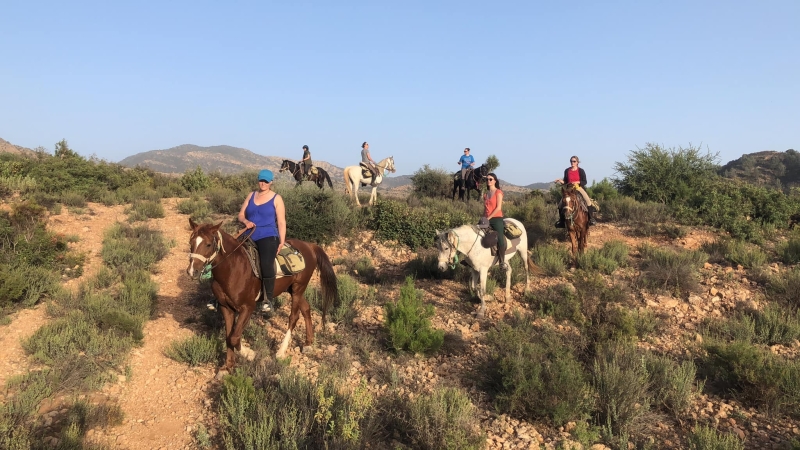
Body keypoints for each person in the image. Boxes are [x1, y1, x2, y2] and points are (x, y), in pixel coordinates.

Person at [238, 169, 286, 314]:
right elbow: (240, 214)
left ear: (271, 182)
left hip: (268, 235)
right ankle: (218, 296)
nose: (263, 183)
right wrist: (246, 221)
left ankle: (268, 300)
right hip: (249, 234)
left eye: (266, 181)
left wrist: (281, 241)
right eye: (261, 180)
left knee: (266, 263)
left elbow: (282, 222)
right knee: (228, 254)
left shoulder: (276, 198)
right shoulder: (251, 195)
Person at [554, 155, 596, 227]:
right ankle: (561, 221)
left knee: (588, 201)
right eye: (571, 161)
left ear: (577, 162)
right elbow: (566, 181)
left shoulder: (581, 171)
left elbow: (584, 181)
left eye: (574, 161)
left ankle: (591, 219)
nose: (572, 162)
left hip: (578, 188)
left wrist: (578, 182)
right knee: (560, 204)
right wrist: (561, 181)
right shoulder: (567, 170)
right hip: (569, 189)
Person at [484, 173, 507, 270]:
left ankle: (502, 262)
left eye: (490, 179)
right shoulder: (485, 194)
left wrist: (488, 218)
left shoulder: (498, 192)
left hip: (496, 218)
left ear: (495, 181)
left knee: (500, 238)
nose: (488, 181)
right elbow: (484, 209)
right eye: (487, 179)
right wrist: (482, 218)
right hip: (487, 218)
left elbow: (498, 208)